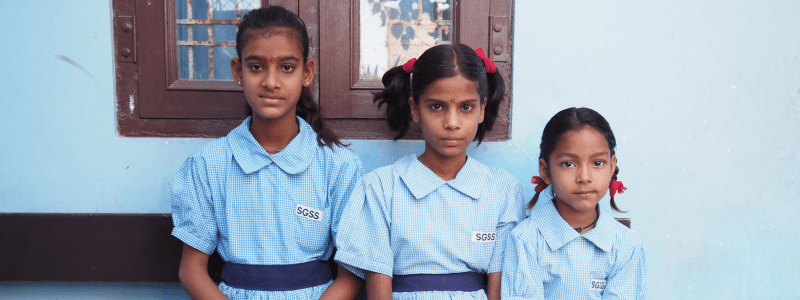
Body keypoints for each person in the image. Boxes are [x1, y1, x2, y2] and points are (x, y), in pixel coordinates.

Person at [170, 6, 363, 300]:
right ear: (238, 71)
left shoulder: (337, 166)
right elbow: (192, 268)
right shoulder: (209, 165)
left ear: (306, 73)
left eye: (287, 67)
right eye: (256, 66)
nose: (271, 82)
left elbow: (352, 274)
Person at [334, 44, 524, 300]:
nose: (452, 123)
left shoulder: (502, 190)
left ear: (482, 109)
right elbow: (378, 292)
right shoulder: (381, 187)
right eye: (436, 107)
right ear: (415, 108)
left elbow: (499, 289)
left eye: (466, 107)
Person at [501, 107, 647, 299]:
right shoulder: (526, 240)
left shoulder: (626, 246)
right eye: (568, 164)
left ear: (612, 166)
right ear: (545, 170)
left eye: (597, 163)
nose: (584, 177)